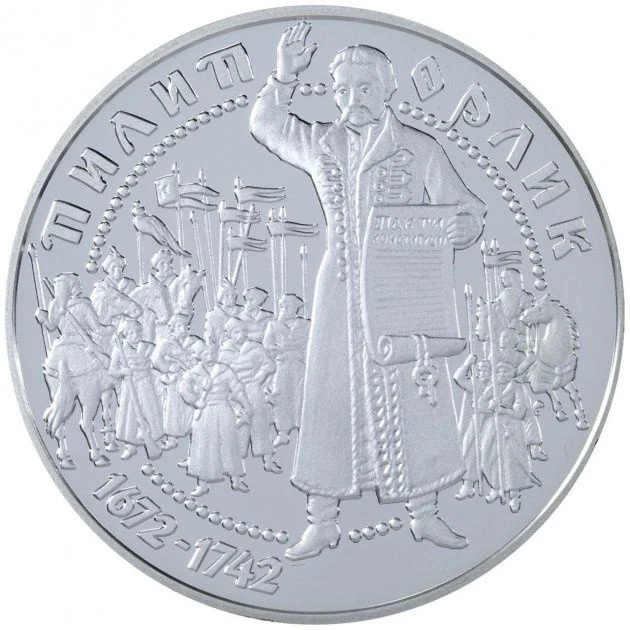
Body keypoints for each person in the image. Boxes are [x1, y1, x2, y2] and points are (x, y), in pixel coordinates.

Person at [250, 21, 486, 559]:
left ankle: (425, 515)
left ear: (387, 90)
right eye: (343, 90)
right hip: (338, 291)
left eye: (365, 88)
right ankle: (321, 521)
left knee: (414, 398)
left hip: (403, 291)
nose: (353, 99)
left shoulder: (421, 149)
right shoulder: (320, 143)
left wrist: (461, 228)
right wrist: (284, 75)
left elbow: (467, 210)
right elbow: (265, 124)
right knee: (328, 398)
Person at [179, 341, 253, 496]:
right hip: (205, 412)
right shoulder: (194, 373)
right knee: (203, 446)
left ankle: (236, 480)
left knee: (229, 444)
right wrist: (195, 401)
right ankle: (202, 484)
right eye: (206, 353)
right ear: (199, 356)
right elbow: (184, 389)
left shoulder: (225, 370)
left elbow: (237, 389)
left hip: (224, 409)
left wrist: (246, 404)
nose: (210, 356)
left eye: (213, 353)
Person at [219, 317, 281, 474]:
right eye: (236, 331)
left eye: (242, 331)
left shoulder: (255, 347)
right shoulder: (224, 352)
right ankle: (233, 467)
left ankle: (268, 461)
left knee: (260, 423)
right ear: (229, 334)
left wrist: (260, 376)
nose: (240, 334)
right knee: (238, 425)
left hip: (253, 388)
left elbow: (270, 364)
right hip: (234, 392)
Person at [478, 360, 539, 513]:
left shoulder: (517, 387)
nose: (502, 374)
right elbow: (480, 404)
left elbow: (520, 411)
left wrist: (505, 410)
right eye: (499, 372)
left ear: (512, 373)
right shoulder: (493, 387)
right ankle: (496, 486)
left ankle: (514, 495)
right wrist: (491, 405)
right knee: (487, 456)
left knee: (511, 461)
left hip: (511, 427)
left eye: (506, 371)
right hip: (493, 426)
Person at [109, 318, 163, 459]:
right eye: (131, 333)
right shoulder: (119, 350)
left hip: (146, 384)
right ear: (125, 335)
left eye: (137, 332)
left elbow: (156, 362)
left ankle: (155, 440)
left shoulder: (148, 347)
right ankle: (130, 446)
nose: (135, 335)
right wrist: (122, 371)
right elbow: (112, 370)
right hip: (130, 387)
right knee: (130, 415)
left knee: (151, 411)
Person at [263, 294, 310, 446]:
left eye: (287, 306)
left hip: (300, 365)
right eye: (282, 306)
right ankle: (282, 431)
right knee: (280, 394)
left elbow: (311, 344)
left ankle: (303, 427)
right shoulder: (274, 325)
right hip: (281, 365)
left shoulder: (305, 324)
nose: (284, 309)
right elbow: (267, 345)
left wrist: (300, 350)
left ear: (295, 307)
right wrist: (278, 349)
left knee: (300, 394)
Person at [152, 313, 194, 449]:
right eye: (180, 326)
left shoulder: (189, 341)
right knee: (173, 406)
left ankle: (189, 429)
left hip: (188, 378)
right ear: (173, 327)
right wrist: (169, 368)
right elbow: (156, 359)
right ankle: (172, 437)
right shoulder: (166, 342)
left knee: (188, 406)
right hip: (174, 380)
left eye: (185, 326)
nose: (183, 329)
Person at [452, 354, 491, 499]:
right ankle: (468, 485)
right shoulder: (475, 384)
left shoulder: (495, 386)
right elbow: (458, 378)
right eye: (480, 370)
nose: (483, 373)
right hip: (475, 422)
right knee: (469, 451)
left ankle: (497, 487)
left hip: (490, 424)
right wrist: (467, 363)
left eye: (486, 370)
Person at [129, 249, 175, 342]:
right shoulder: (149, 286)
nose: (166, 267)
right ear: (157, 267)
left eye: (168, 263)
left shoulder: (175, 283)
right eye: (162, 264)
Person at [205, 280, 240, 347]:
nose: (231, 298)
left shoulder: (241, 313)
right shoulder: (212, 316)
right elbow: (209, 338)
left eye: (233, 295)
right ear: (221, 297)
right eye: (227, 295)